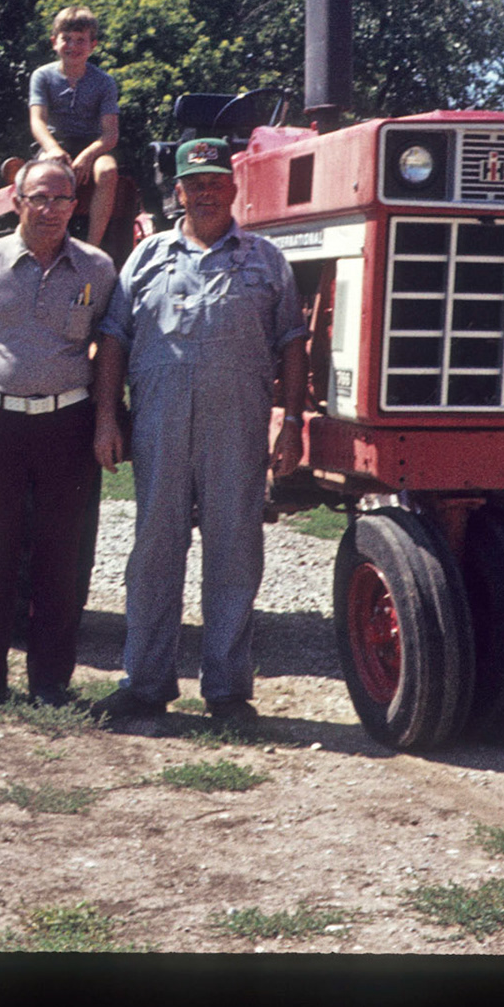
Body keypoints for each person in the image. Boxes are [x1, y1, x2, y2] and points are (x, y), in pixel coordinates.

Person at [89, 138, 308, 732]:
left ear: (233, 189)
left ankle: (228, 692)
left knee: (235, 554)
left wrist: (290, 424)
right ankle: (145, 684)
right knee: (155, 553)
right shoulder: (146, 256)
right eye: (195, 183)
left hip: (237, 428)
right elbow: (113, 339)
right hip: (158, 425)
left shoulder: (266, 260)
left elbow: (292, 343)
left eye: (217, 182)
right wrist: (108, 417)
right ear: (178, 192)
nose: (206, 192)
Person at [0, 156, 117, 709]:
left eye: (62, 200)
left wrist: (104, 417)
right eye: (39, 197)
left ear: (75, 207)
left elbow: (110, 350)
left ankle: (50, 682)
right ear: (17, 201)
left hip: (68, 425)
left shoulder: (97, 269)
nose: (51, 210)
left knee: (60, 553)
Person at [28, 6, 122, 249]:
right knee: (46, 177)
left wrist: (88, 156)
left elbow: (110, 134)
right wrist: (53, 149)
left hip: (91, 146)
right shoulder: (43, 76)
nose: (73, 46)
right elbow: (37, 120)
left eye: (80, 40)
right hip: (54, 145)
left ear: (93, 45)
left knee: (109, 170)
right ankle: (43, 240)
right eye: (66, 39)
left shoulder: (104, 82)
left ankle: (92, 247)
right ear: (54, 42)